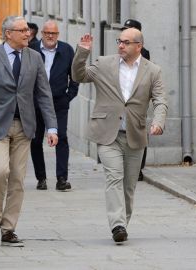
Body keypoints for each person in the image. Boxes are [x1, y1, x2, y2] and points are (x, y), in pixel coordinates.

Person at [71, 29, 168, 243]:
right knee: (114, 177)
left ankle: (123, 222)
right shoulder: (104, 63)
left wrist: (158, 122)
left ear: (138, 46)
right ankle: (117, 225)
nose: (120, 45)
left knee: (129, 185)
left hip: (135, 134)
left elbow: (160, 100)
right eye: (119, 41)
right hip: (107, 133)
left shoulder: (153, 71)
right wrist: (82, 53)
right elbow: (79, 76)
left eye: (126, 42)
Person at [0, 16, 58, 247]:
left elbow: (44, 94)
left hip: (24, 127)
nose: (27, 34)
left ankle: (8, 229)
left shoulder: (35, 58)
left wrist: (52, 126)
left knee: (18, 179)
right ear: (8, 33)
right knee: (0, 171)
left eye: (28, 30)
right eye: (22, 30)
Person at [30, 20, 79, 191]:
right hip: (36, 103)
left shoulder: (66, 50)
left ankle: (61, 178)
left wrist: (68, 96)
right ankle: (41, 177)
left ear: (58, 34)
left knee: (62, 138)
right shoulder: (31, 49)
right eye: (47, 33)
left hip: (59, 102)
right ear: (42, 33)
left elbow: (74, 76)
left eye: (54, 33)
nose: (50, 36)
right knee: (36, 140)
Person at [121, 18, 150, 181]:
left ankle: (138, 167)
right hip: (122, 99)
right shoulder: (120, 49)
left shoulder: (143, 53)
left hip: (137, 100)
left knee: (139, 131)